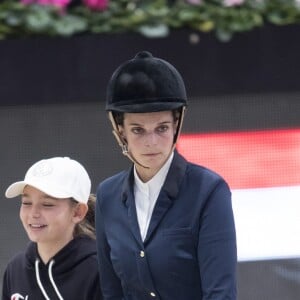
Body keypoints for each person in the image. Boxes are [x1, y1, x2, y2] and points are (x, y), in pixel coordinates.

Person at [95, 51, 237, 300]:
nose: (151, 142)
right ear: (121, 132)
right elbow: (111, 292)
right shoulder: (107, 195)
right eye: (138, 130)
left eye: (161, 128)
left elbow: (220, 294)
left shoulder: (209, 191)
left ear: (176, 125)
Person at [2, 156, 102, 300]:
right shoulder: (15, 269)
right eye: (26, 202)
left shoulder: (99, 271)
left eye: (47, 204)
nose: (33, 213)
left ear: (78, 212)